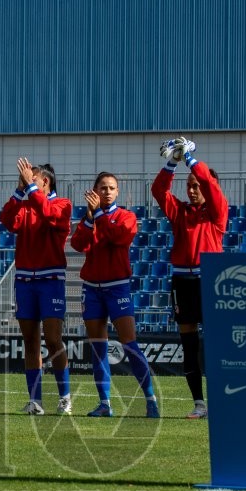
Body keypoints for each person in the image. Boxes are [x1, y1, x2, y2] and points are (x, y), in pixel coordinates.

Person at [70, 172, 160, 418]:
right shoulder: (89, 218)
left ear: (117, 192)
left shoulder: (127, 217)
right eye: (102, 187)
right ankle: (104, 404)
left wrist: (97, 215)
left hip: (118, 286)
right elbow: (78, 244)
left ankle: (150, 400)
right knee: (98, 348)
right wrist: (90, 219)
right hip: (92, 288)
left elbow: (118, 236)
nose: (107, 192)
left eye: (111, 188)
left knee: (129, 344)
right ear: (95, 191)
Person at [152, 137, 228, 420]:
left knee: (217, 345)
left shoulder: (217, 212)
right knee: (189, 345)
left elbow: (209, 184)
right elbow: (159, 190)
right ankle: (199, 403)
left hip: (210, 281)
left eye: (197, 186)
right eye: (189, 186)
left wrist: (192, 160)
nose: (193, 190)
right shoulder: (180, 212)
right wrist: (173, 161)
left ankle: (221, 401)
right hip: (182, 283)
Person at [0, 159, 73, 415]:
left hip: (50, 280)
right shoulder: (26, 205)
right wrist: (20, 190)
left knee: (53, 340)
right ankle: (35, 400)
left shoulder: (62, 204)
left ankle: (65, 397)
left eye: (33, 178)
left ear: (46, 182)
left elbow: (49, 214)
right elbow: (7, 220)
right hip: (25, 281)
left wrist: (28, 188)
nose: (27, 180)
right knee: (30, 341)